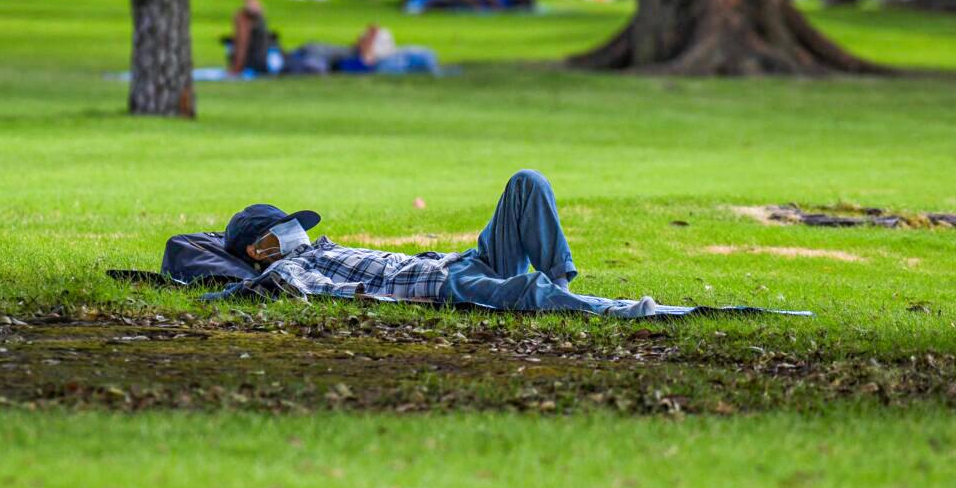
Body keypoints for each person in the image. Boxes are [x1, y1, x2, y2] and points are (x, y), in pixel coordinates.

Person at [214, 170, 659, 317]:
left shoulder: (320, 248)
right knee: (524, 293)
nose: (298, 233)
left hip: (460, 263)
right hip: (444, 287)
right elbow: (322, 291)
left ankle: (563, 289)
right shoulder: (284, 270)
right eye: (285, 229)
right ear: (259, 249)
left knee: (528, 184)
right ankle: (611, 310)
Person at [225, 0, 272, 75]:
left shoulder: (246, 15)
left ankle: (238, 67)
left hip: (254, 63)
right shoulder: (257, 8)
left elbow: (242, 43)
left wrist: (236, 68)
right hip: (261, 60)